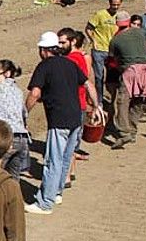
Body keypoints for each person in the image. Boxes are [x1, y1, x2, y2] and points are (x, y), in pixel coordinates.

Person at [24, 32, 100, 215]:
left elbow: (35, 94)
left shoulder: (44, 67)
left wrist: (24, 113)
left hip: (59, 120)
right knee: (66, 157)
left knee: (53, 160)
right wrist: (96, 106)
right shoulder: (70, 63)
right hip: (76, 118)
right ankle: (56, 192)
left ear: (43, 50)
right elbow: (89, 84)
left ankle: (45, 203)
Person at [0, 59, 30, 180]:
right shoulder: (18, 91)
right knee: (14, 178)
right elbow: (24, 114)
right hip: (22, 139)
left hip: (5, 138)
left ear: (7, 73)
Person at [58, 28, 94, 187]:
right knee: (73, 140)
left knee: (67, 142)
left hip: (73, 103)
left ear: (72, 41)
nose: (59, 45)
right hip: (81, 102)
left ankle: (65, 176)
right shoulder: (83, 57)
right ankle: (71, 171)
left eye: (62, 42)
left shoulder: (71, 60)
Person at [106, 15, 146, 149]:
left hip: (129, 70)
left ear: (117, 24)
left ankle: (124, 132)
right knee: (138, 100)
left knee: (122, 101)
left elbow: (112, 59)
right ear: (129, 22)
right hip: (145, 69)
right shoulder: (141, 32)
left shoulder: (115, 40)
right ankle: (133, 129)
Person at [85, 0, 124, 105]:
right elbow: (88, 28)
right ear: (109, 3)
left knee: (113, 77)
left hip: (114, 52)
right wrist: (93, 40)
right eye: (113, 5)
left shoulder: (120, 17)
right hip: (99, 50)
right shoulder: (100, 14)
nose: (115, 7)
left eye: (117, 5)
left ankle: (113, 100)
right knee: (99, 77)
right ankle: (99, 100)